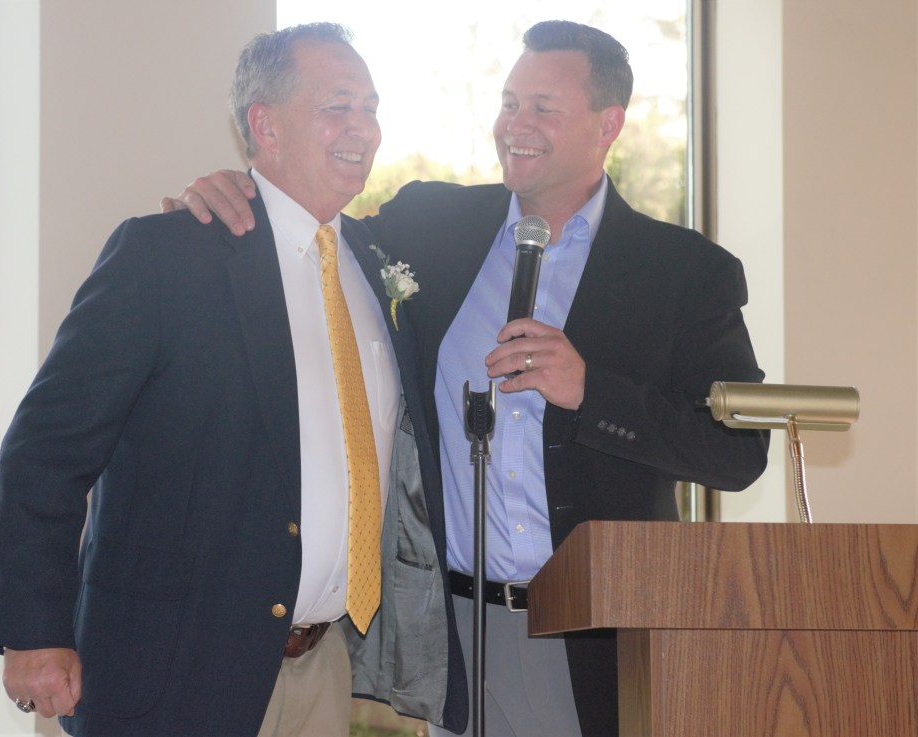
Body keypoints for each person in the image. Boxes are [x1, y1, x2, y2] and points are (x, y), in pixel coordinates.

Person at [164, 19, 770, 737]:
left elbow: (738, 451)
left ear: (609, 124)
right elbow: (312, 238)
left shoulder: (685, 272)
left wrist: (591, 391)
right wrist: (238, 191)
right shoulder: (432, 223)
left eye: (543, 107)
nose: (515, 124)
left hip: (599, 636)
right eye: (510, 103)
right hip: (452, 633)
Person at [0, 22, 467, 737]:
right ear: (263, 125)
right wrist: (32, 629)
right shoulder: (166, 256)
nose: (363, 127)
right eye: (337, 105)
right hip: (174, 669)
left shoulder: (375, 261)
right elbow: (46, 450)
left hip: (323, 668)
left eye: (370, 107)